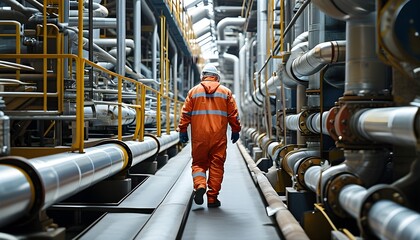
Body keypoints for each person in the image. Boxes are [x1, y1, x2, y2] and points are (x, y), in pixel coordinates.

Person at [177, 63, 241, 208]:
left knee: (198, 163)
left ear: (203, 76)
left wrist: (182, 130)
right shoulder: (226, 92)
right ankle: (212, 198)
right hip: (218, 137)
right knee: (217, 165)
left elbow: (185, 113)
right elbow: (233, 115)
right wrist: (236, 129)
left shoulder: (194, 92)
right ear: (217, 77)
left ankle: (200, 185)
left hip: (199, 137)